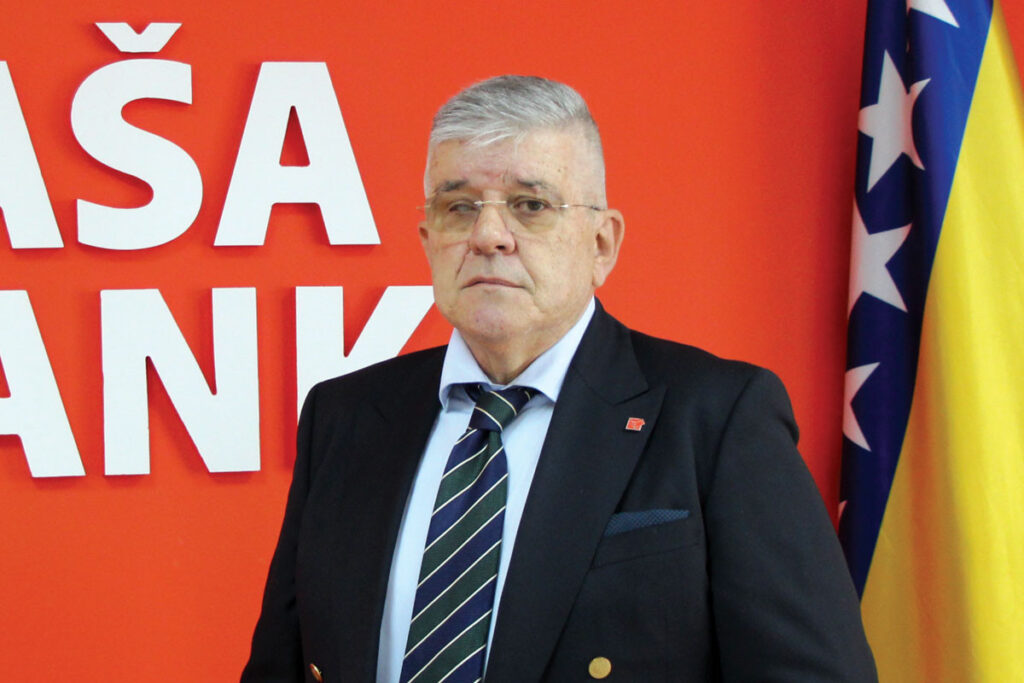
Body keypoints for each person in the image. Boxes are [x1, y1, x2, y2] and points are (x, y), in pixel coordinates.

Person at [241, 75, 877, 682]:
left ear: (602, 244)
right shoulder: (344, 416)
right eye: (459, 207)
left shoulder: (717, 417)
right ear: (428, 239)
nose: (488, 235)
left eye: (531, 205)